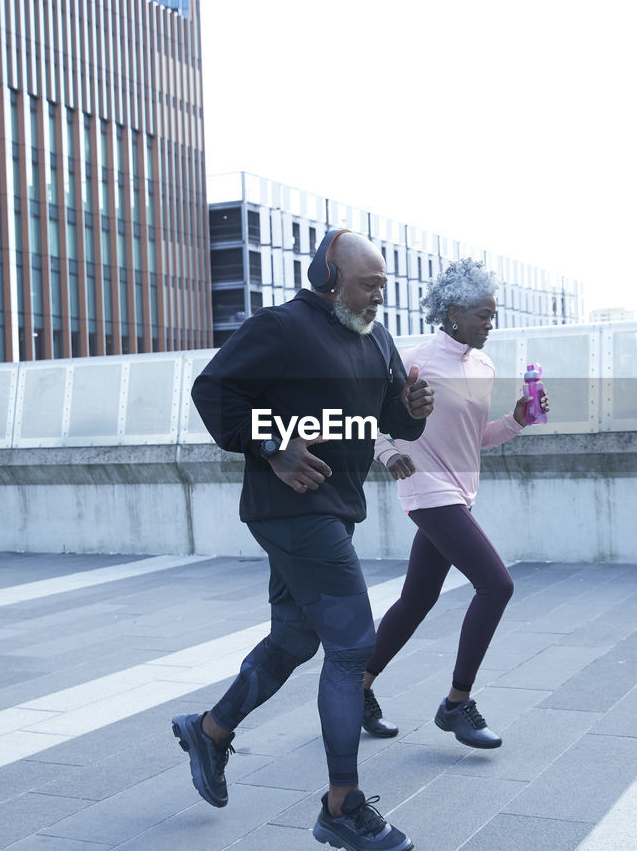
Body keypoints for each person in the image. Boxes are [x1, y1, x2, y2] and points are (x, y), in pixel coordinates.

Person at [176, 229, 431, 851]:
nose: (378, 297)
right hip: (291, 509)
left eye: (382, 286)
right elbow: (213, 392)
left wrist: (414, 407)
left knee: (295, 637)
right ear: (327, 276)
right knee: (352, 648)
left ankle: (209, 730)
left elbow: (388, 420)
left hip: (334, 507)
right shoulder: (282, 327)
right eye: (369, 283)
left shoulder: (376, 339)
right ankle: (342, 806)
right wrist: (272, 444)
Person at [362, 258, 549, 749]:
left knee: (417, 599)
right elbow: (373, 421)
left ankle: (356, 687)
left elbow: (473, 439)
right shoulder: (414, 361)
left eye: (493, 314)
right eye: (482, 315)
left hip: (460, 492)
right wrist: (386, 453)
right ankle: (456, 704)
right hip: (426, 489)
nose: (491, 324)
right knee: (496, 584)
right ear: (451, 313)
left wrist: (517, 421)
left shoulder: (483, 366)